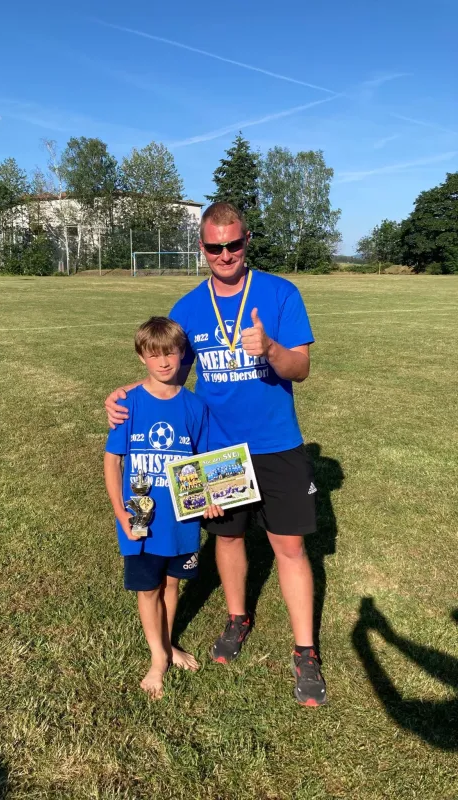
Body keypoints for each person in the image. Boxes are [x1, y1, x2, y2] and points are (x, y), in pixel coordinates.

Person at [106, 203, 327, 707]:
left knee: (288, 547)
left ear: (247, 240)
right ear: (201, 247)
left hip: (276, 444)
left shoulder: (280, 293)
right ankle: (237, 618)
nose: (225, 254)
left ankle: (305, 651)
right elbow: (168, 378)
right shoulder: (187, 308)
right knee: (226, 539)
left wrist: (271, 349)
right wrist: (123, 395)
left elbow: (302, 368)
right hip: (215, 450)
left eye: (234, 244)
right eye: (214, 246)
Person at [104, 316, 222, 699]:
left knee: (171, 584)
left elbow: (202, 461)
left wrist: (208, 500)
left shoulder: (194, 407)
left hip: (180, 521)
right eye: (154, 355)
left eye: (171, 352)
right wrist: (121, 513)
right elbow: (112, 461)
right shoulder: (128, 404)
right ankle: (158, 658)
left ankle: (168, 643)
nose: (164, 362)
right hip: (140, 521)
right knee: (148, 589)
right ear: (142, 357)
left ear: (182, 353)